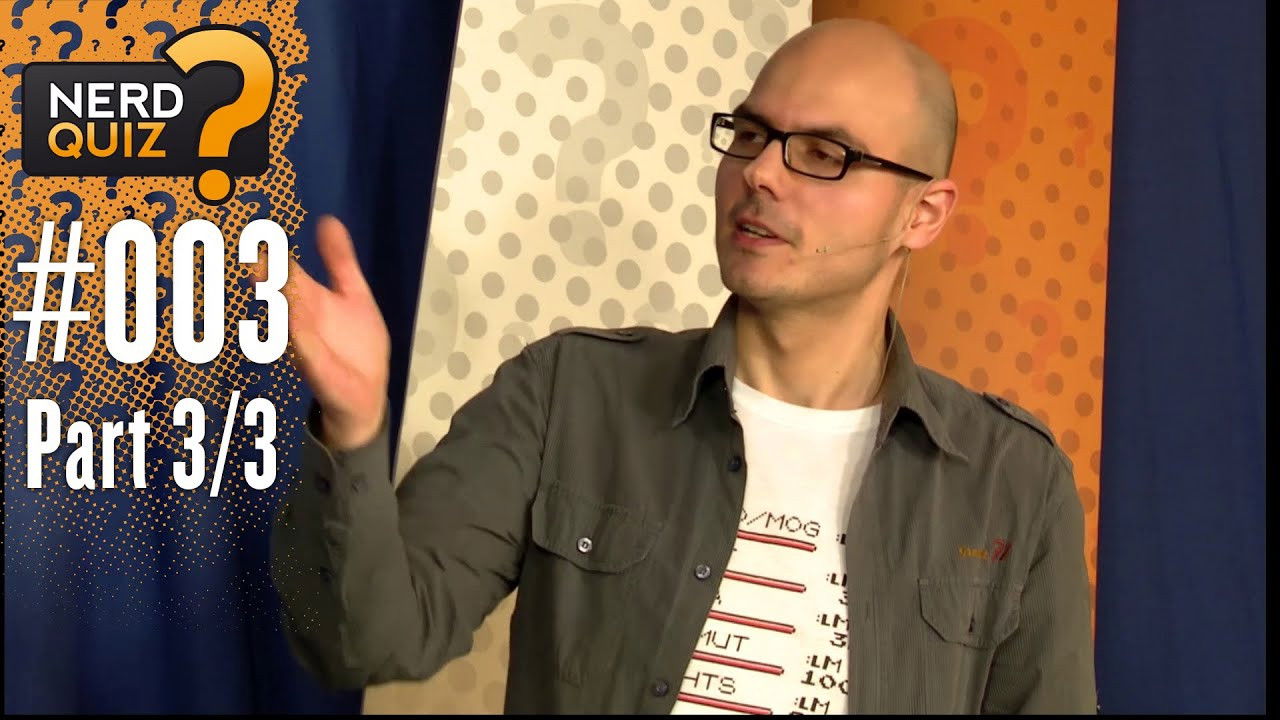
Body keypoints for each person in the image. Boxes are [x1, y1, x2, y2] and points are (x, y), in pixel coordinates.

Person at [268, 18, 1096, 714]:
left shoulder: (1011, 480)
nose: (760, 173)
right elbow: (361, 642)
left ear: (923, 214)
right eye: (752, 135)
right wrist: (353, 427)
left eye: (823, 153)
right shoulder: (567, 394)